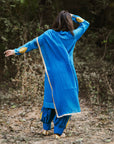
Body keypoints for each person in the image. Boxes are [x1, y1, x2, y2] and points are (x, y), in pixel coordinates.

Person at [4, 10, 90, 138]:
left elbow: (32, 44)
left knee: (50, 100)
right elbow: (85, 24)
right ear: (69, 22)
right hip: (67, 75)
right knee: (65, 101)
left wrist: (15, 51)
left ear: (57, 21)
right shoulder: (73, 35)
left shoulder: (49, 35)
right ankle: (58, 132)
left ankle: (45, 129)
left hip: (51, 75)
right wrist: (73, 16)